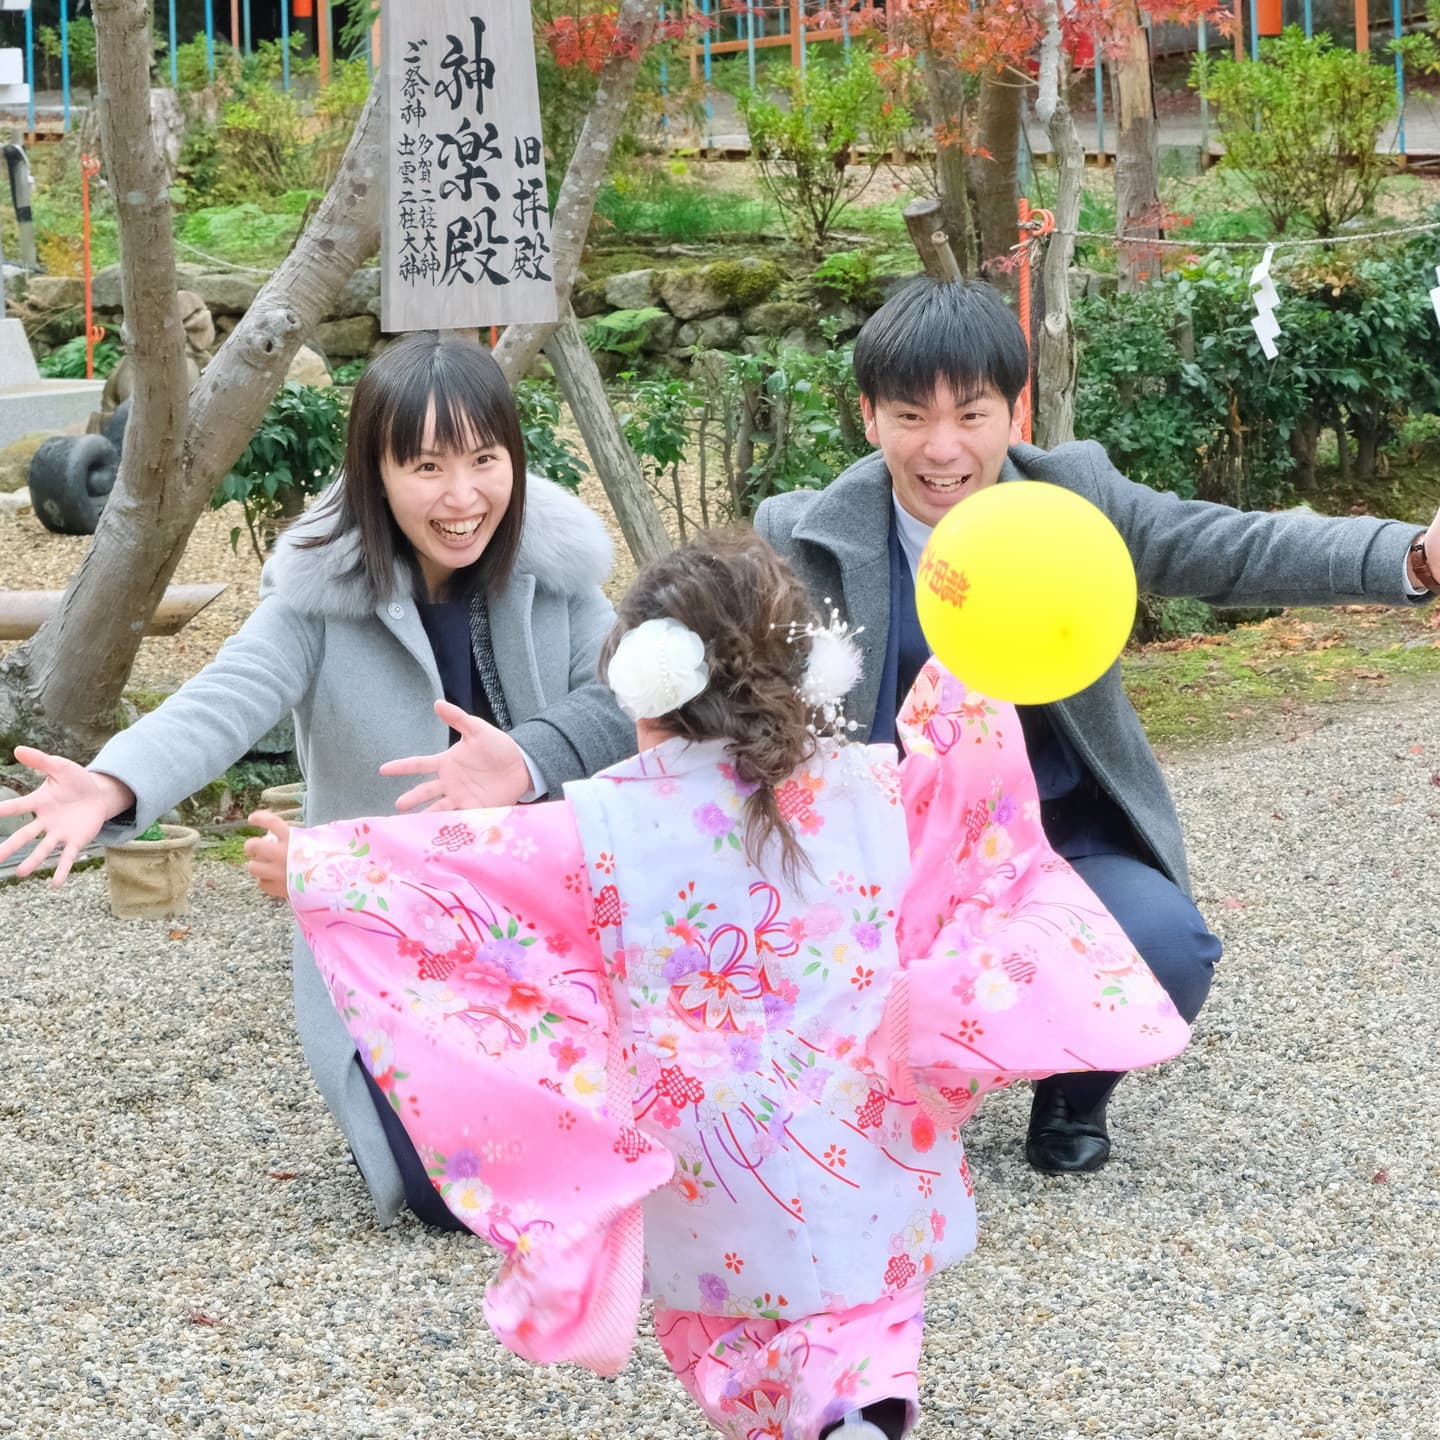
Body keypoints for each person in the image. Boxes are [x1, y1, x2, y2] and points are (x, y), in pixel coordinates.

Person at [282, 530, 1190, 1440]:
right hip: (865, 1131)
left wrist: (313, 866)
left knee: (726, 1341)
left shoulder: (607, 823)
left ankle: (808, 1422)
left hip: (711, 1151)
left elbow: (466, 878)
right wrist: (975, 688)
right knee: (864, 1323)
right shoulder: (871, 785)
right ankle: (856, 1412)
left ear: (646, 689)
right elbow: (968, 823)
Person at [755, 275, 1440, 1176]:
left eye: (973, 413)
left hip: (1057, 839)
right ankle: (879, 1089)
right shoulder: (797, 537)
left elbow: (1231, 548)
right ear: (869, 418)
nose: (944, 448)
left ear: (1015, 410)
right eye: (911, 417)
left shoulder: (1073, 499)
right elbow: (698, 681)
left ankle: (1073, 1090)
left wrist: (1411, 556)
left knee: (1165, 947)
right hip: (881, 858)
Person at [0, 331, 635, 1227]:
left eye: (486, 460)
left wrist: (530, 756)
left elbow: (630, 704)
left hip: (539, 930)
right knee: (452, 1196)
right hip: (384, 947)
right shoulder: (321, 592)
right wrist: (113, 786)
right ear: (375, 474)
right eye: (426, 467)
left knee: (595, 1165)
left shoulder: (558, 575)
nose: (463, 498)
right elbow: (221, 698)